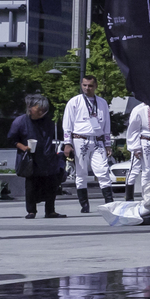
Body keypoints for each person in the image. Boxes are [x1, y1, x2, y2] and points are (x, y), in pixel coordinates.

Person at [9, 94, 66, 219]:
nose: (42, 112)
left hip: (48, 157)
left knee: (51, 184)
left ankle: (50, 211)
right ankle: (31, 211)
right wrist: (24, 147)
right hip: (31, 159)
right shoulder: (20, 121)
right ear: (30, 107)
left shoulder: (48, 121)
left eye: (44, 110)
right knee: (31, 185)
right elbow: (12, 139)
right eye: (39, 109)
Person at [62, 76, 113, 213]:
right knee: (81, 172)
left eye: (90, 85)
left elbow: (107, 124)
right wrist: (67, 143)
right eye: (84, 85)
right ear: (81, 85)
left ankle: (109, 203)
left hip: (97, 140)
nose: (87, 88)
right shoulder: (74, 102)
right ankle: (84, 205)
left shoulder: (102, 102)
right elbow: (67, 124)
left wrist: (108, 144)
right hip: (80, 139)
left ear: (95, 86)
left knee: (103, 170)